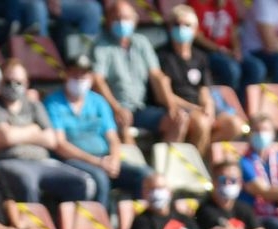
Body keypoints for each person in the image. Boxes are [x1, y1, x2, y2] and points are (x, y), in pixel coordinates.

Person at [0, 62, 93, 205]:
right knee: (27, 181)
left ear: (26, 83)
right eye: (8, 82)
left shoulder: (34, 105)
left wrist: (16, 132)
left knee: (82, 182)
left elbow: (51, 140)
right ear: (1, 82)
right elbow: (7, 137)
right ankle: (33, 219)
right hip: (9, 162)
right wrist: (34, 130)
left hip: (43, 162)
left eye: (18, 82)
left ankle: (67, 219)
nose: (13, 86)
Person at [44, 53, 142, 208]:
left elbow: (113, 138)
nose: (79, 79)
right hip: (73, 160)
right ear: (66, 74)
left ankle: (138, 220)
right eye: (75, 74)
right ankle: (100, 221)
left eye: (83, 74)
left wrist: (114, 160)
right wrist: (96, 162)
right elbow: (60, 144)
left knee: (142, 175)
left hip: (105, 158)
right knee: (100, 179)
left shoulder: (98, 101)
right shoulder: (53, 103)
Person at [155, 6, 236, 154]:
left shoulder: (200, 57)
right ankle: (194, 161)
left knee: (234, 125)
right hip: (177, 107)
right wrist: (194, 108)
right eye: (177, 24)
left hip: (198, 107)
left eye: (187, 25)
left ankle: (201, 156)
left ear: (195, 30)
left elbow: (204, 88)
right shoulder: (161, 56)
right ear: (169, 27)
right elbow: (163, 94)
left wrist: (208, 106)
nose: (181, 29)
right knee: (201, 123)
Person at [90, 1, 164, 140]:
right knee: (123, 123)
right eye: (117, 18)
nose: (122, 22)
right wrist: (116, 108)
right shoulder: (100, 45)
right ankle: (132, 154)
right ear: (108, 21)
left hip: (141, 108)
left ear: (135, 20)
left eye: (126, 18)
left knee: (176, 121)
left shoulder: (142, 42)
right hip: (113, 109)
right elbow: (97, 80)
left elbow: (157, 75)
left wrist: (171, 105)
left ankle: (169, 154)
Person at [192, 0, 244, 90]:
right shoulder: (196, 3)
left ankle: (242, 97)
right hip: (207, 52)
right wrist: (220, 49)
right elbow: (198, 37)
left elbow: (233, 33)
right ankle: (229, 97)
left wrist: (236, 49)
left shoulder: (228, 4)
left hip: (229, 52)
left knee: (255, 67)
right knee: (232, 69)